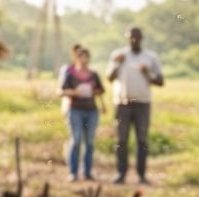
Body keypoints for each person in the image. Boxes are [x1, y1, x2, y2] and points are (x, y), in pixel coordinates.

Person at [105, 26, 163, 184]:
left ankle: (141, 175)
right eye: (131, 37)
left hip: (142, 104)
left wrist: (147, 73)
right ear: (127, 38)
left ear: (141, 38)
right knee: (121, 140)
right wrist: (117, 64)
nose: (134, 40)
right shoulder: (119, 55)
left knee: (142, 141)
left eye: (137, 37)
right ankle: (121, 173)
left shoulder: (150, 57)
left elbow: (160, 81)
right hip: (122, 103)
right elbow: (109, 78)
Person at [60, 44, 106, 181]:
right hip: (76, 110)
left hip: (91, 110)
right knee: (76, 140)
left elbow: (101, 90)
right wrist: (75, 92)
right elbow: (62, 91)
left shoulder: (93, 75)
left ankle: (87, 172)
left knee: (89, 141)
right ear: (77, 58)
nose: (84, 60)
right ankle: (73, 172)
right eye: (82, 57)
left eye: (87, 57)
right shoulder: (70, 74)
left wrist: (92, 91)